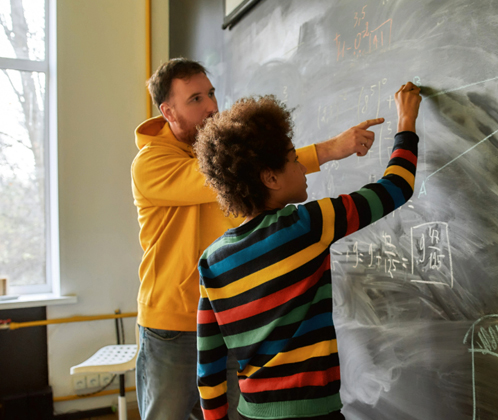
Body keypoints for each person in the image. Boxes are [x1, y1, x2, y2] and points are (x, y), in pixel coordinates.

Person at [131, 58, 382, 420]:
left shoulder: (217, 151)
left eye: (212, 94)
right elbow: (213, 177)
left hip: (229, 318)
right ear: (168, 111)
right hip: (171, 325)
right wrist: (329, 150)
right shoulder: (150, 164)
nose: (212, 106)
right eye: (196, 99)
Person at [194, 81, 421, 420]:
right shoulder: (305, 225)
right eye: (293, 159)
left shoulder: (212, 260)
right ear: (270, 178)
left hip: (252, 413)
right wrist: (406, 122)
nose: (302, 167)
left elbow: (209, 366)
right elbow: (396, 187)